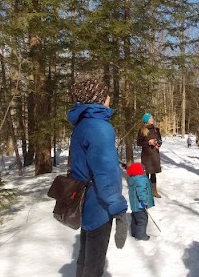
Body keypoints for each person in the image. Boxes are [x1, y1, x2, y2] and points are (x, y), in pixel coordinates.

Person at [68, 78, 128, 277]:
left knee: (85, 258)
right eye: (105, 94)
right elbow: (105, 173)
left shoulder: (83, 124)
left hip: (83, 201)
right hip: (99, 204)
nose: (109, 97)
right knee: (94, 264)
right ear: (98, 99)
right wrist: (118, 209)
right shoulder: (99, 128)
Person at [126, 162, 155, 241]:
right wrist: (144, 201)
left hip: (134, 205)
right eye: (143, 169)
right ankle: (141, 236)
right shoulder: (140, 180)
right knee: (143, 220)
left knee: (135, 218)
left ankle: (134, 233)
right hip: (140, 205)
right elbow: (142, 192)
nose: (144, 170)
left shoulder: (133, 179)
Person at [137, 113, 162, 198]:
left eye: (152, 117)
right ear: (146, 120)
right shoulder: (142, 130)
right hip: (146, 155)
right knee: (146, 173)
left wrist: (158, 143)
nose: (152, 119)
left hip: (155, 154)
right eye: (150, 118)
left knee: (153, 173)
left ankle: (154, 191)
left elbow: (160, 140)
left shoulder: (156, 130)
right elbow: (139, 143)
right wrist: (148, 142)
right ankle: (146, 192)